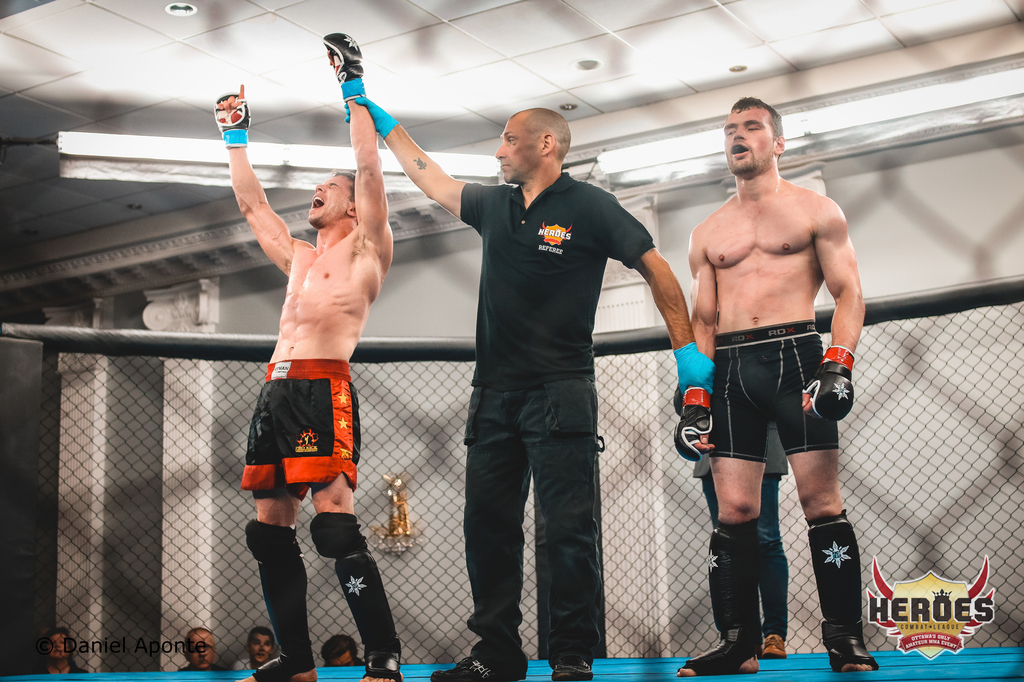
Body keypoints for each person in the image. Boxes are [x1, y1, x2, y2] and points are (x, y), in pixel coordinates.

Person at [339, 79, 713, 682]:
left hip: (561, 392)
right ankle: (497, 653)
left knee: (567, 530)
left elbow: (658, 269)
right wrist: (386, 124)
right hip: (492, 395)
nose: (498, 150)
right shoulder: (494, 206)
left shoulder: (590, 206)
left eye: (509, 140)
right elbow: (431, 179)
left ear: (546, 144)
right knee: (487, 529)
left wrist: (687, 352)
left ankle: (571, 652)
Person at [215, 32, 402, 682]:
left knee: (335, 527)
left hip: (324, 387)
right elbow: (252, 205)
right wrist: (234, 137)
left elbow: (369, 167)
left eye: (329, 186)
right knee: (269, 530)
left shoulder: (368, 249)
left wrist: (351, 86)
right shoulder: (298, 256)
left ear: (352, 203)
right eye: (317, 186)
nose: (317, 191)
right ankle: (295, 661)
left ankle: (382, 653)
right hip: (276, 388)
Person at [676, 97, 876, 676]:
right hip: (732, 369)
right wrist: (694, 397)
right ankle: (738, 642)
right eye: (729, 129)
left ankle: (844, 638)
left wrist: (838, 364)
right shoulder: (707, 231)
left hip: (797, 358)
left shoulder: (816, 209)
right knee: (735, 510)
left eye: (752, 126)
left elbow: (848, 293)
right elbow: (704, 322)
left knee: (822, 503)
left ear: (778, 142)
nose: (737, 135)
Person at [690, 411, 789, 659]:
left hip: (761, 443)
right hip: (714, 450)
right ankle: (744, 637)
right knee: (728, 545)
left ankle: (774, 635)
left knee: (766, 541)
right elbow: (683, 402)